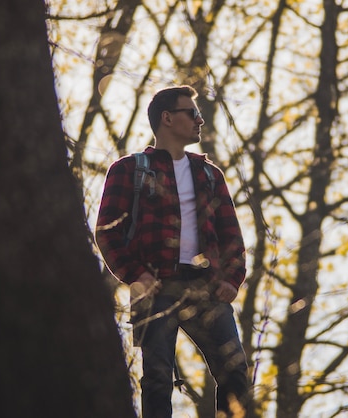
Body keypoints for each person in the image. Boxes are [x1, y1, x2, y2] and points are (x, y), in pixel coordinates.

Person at [95, 85, 250, 417]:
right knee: (157, 378)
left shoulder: (210, 175)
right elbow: (107, 232)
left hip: (207, 288)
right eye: (192, 113)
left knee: (235, 372)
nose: (199, 120)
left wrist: (232, 280)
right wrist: (136, 275)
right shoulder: (128, 169)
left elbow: (232, 239)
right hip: (156, 287)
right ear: (167, 118)